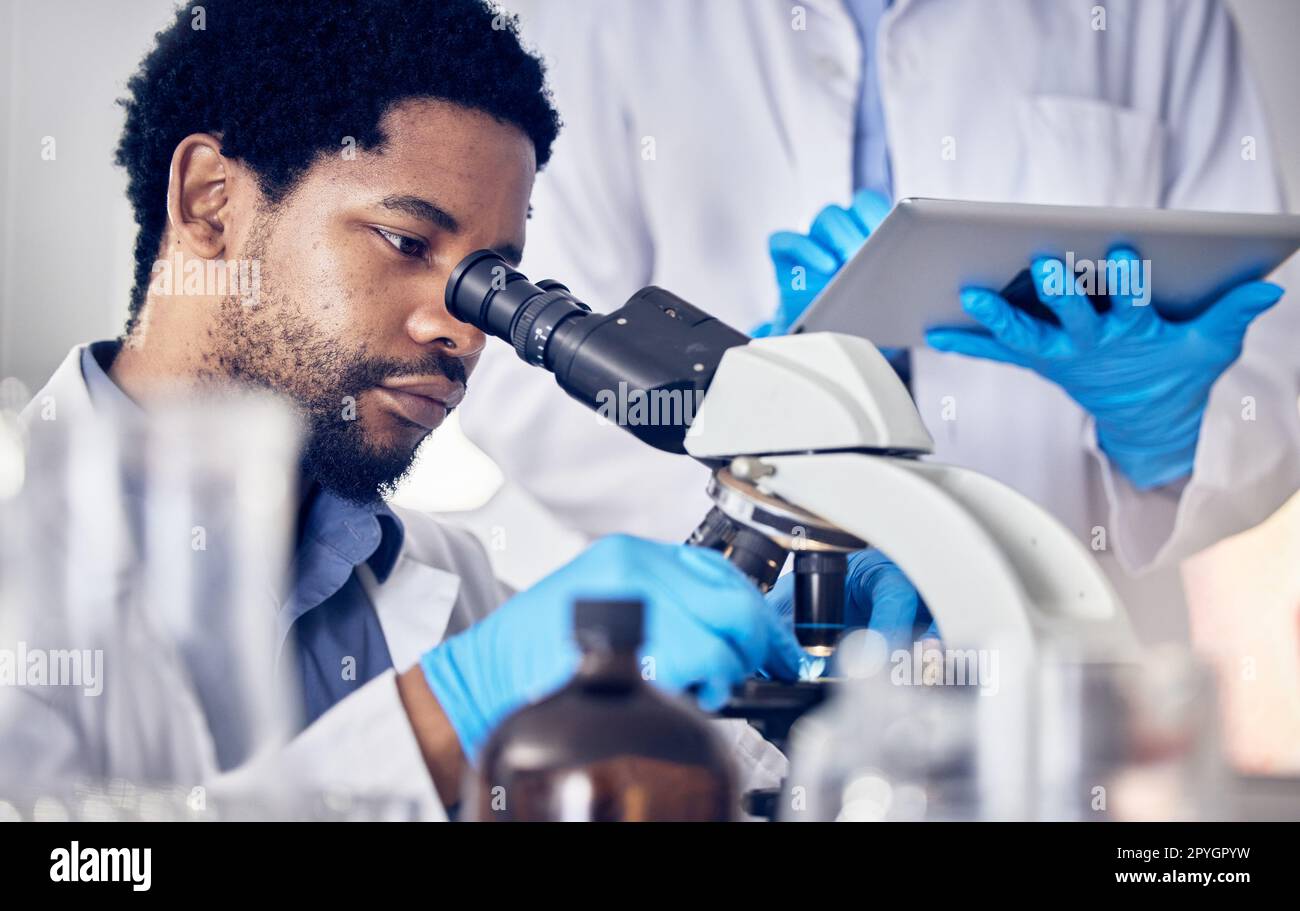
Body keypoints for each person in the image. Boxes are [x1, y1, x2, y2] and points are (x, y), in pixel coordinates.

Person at [4, 0, 933, 819]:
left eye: (490, 281)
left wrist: (785, 642)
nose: (464, 331)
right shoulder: (22, 553)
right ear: (210, 201)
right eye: (407, 240)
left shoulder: (443, 587)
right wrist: (442, 711)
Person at [463, 0, 1299, 639]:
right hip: (711, 633)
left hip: (1058, 642)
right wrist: (760, 456)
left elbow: (1270, 341)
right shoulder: (591, 19)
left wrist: (1174, 431)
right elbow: (518, 374)